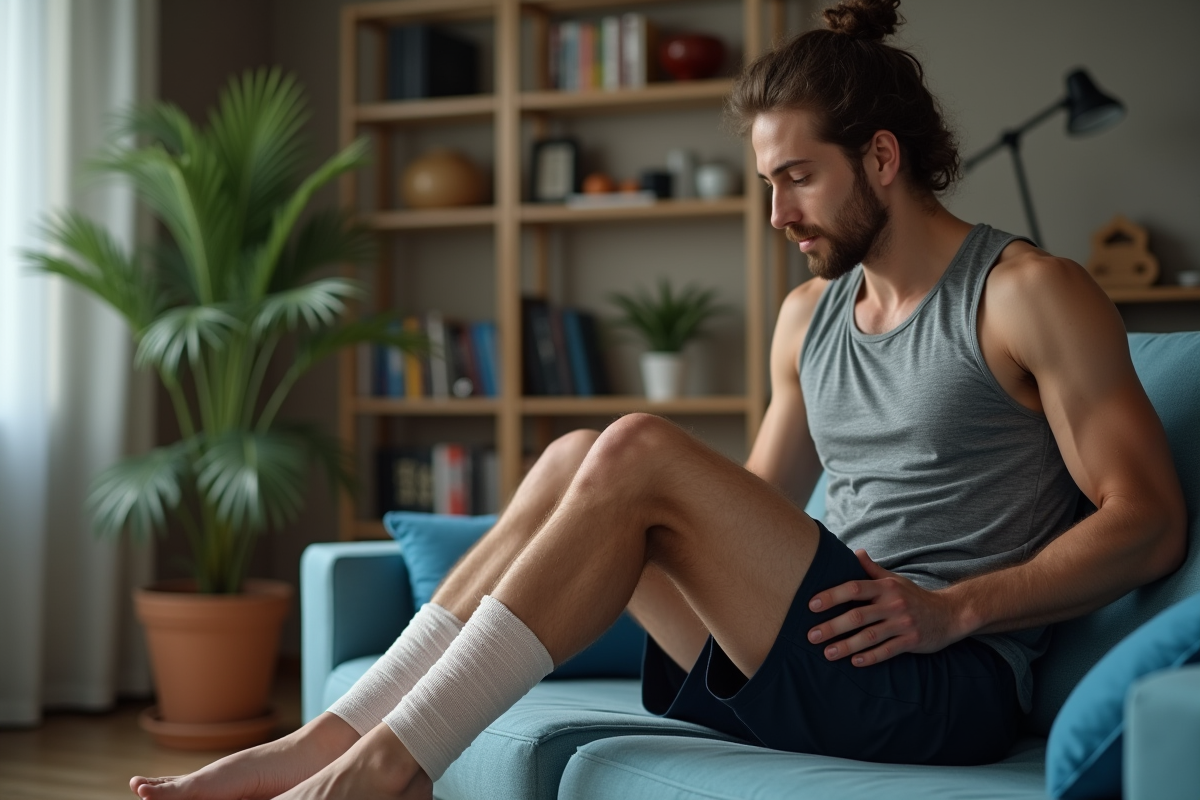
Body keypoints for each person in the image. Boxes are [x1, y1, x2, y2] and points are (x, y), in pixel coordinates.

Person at [130, 1, 1186, 797]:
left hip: (935, 677)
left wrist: (953, 605)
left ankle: (385, 772)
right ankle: (333, 739)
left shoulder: (1028, 295)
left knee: (629, 445)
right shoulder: (809, 317)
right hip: (820, 651)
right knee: (575, 455)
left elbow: (1148, 520)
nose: (776, 213)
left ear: (881, 156)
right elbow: (749, 508)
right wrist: (607, 495)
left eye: (798, 178)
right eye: (766, 181)